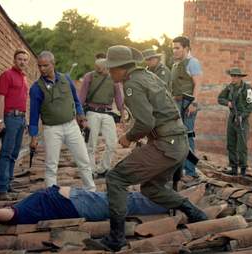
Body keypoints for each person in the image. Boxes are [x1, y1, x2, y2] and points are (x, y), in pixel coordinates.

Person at [88, 45, 207, 252]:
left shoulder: (132, 84)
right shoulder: (148, 76)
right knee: (151, 188)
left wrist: (128, 137)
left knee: (115, 178)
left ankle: (116, 237)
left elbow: (146, 123)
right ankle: (194, 213)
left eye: (111, 68)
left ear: (122, 68)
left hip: (166, 145)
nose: (109, 72)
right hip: (176, 144)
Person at [0, 185, 172, 236]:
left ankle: (170, 200)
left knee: (125, 201)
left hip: (75, 200)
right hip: (74, 201)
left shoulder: (15, 212)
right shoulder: (15, 214)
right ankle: (170, 199)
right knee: (124, 201)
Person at [29, 51, 96, 191]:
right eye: (39, 66)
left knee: (83, 160)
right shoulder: (36, 88)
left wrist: (81, 116)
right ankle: (51, 196)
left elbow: (76, 101)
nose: (42, 69)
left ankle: (91, 190)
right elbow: (34, 115)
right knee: (51, 165)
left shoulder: (66, 79)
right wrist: (34, 136)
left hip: (71, 126)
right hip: (51, 129)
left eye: (45, 66)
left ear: (53, 64)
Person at [79, 59, 124, 178]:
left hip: (108, 113)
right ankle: (91, 170)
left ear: (107, 67)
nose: (99, 70)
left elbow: (118, 96)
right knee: (91, 143)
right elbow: (82, 96)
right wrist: (79, 115)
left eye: (101, 68)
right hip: (92, 112)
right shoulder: (90, 76)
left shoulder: (113, 78)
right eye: (97, 68)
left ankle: (104, 168)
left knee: (112, 143)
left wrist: (122, 111)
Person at [0, 49, 29, 200]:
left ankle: (8, 185)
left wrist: (26, 119)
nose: (22, 61)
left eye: (24, 59)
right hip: (10, 118)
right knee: (6, 153)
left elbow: (23, 100)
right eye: (20, 59)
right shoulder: (7, 75)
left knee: (14, 154)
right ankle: (2, 189)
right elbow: (1, 98)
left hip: (21, 119)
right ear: (14, 60)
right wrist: (0, 120)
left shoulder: (24, 77)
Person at [171, 36, 203, 177]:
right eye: (173, 48)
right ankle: (179, 169)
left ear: (186, 48)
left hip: (187, 103)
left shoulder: (193, 62)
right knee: (176, 137)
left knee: (188, 136)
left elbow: (198, 84)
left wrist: (194, 103)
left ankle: (190, 171)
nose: (174, 50)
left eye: (177, 48)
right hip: (176, 103)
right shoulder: (176, 64)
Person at [217, 67, 252, 176]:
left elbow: (251, 105)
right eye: (232, 76)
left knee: (241, 145)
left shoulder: (247, 88)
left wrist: (242, 116)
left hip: (242, 119)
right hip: (232, 117)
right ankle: (233, 168)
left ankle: (243, 169)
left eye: (235, 76)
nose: (233, 78)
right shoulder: (229, 88)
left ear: (240, 77)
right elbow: (220, 98)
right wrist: (227, 103)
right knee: (231, 143)